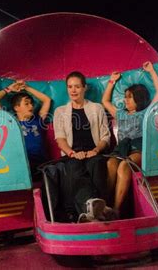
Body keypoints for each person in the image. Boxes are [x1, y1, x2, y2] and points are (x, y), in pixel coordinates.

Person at [101, 61, 158, 216]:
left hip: (138, 147)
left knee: (125, 165)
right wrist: (111, 81)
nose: (126, 100)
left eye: (130, 97)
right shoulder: (121, 113)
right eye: (125, 97)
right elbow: (105, 101)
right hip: (121, 147)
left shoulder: (146, 112)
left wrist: (151, 71)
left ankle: (116, 209)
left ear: (139, 98)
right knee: (110, 164)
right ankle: (105, 204)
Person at [52, 71, 111, 222]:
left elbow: (105, 136)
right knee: (73, 168)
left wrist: (96, 150)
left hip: (94, 151)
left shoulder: (97, 108)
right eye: (70, 87)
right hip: (72, 154)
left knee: (97, 164)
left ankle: (92, 212)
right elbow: (60, 139)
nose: (73, 90)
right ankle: (93, 210)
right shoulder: (60, 111)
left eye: (77, 86)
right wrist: (71, 153)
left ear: (84, 88)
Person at [0, 80, 51, 172]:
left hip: (42, 165)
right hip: (22, 167)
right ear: (16, 108)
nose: (31, 106)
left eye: (32, 104)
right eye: (26, 103)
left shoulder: (38, 120)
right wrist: (9, 88)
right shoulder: (10, 123)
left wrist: (26, 87)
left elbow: (47, 100)